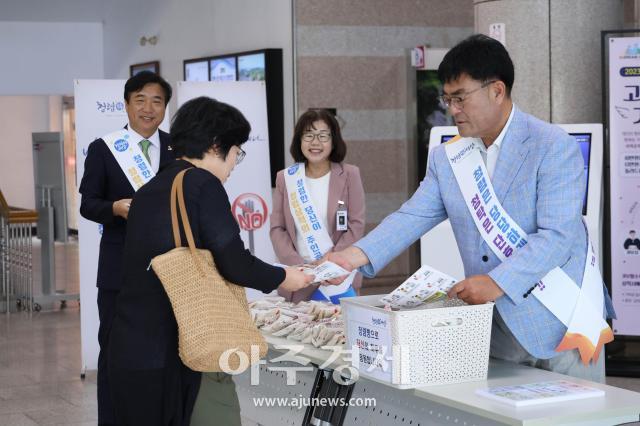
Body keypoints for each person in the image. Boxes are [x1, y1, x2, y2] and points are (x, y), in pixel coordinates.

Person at [328, 34, 615, 382]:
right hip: (496, 329)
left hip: (562, 324)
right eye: (447, 99)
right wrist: (353, 255)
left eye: (461, 98)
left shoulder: (552, 146)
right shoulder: (449, 158)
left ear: (497, 90)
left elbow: (558, 236)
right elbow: (413, 215)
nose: (453, 109)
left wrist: (496, 282)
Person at [107, 96, 315, 425]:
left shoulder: (150, 189)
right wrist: (285, 277)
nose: (235, 163)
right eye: (237, 152)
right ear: (217, 145)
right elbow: (234, 261)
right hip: (183, 347)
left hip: (132, 349)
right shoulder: (202, 184)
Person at [79, 71, 174, 425]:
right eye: (141, 100)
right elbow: (88, 204)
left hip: (170, 268)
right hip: (120, 269)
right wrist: (115, 208)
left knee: (166, 348)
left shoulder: (176, 148)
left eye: (157, 101)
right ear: (126, 104)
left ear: (165, 107)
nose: (149, 108)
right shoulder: (105, 148)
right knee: (115, 350)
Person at [270, 109, 365, 303]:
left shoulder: (350, 175)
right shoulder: (286, 178)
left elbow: (356, 225)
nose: (315, 142)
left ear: (334, 140)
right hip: (300, 279)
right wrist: (300, 267)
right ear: (299, 140)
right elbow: (277, 229)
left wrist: (330, 263)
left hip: (338, 277)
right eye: (308, 135)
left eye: (323, 136)